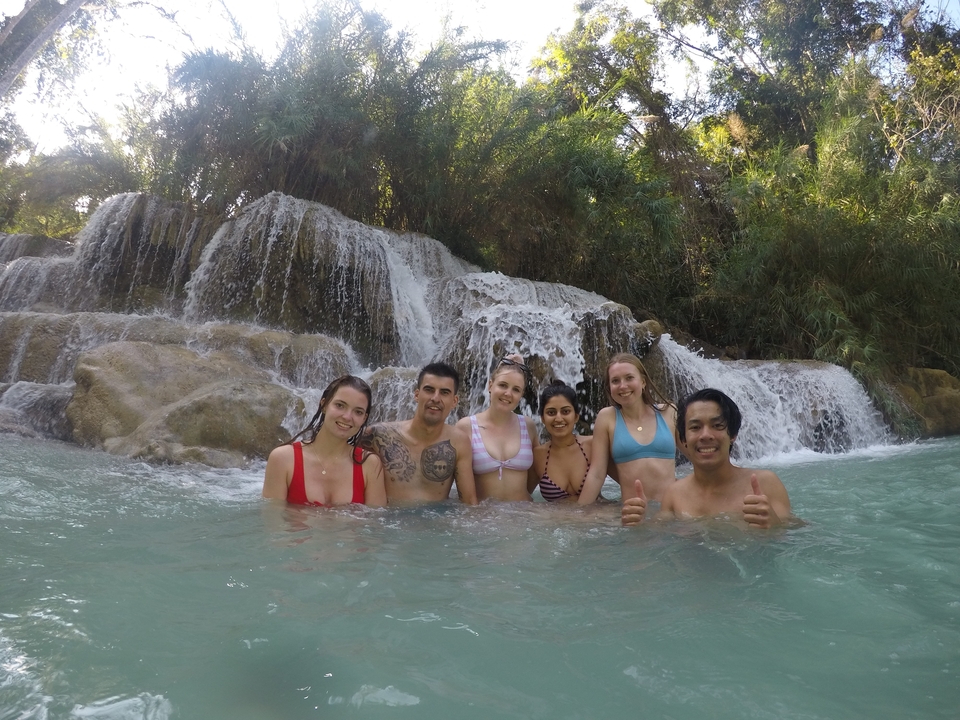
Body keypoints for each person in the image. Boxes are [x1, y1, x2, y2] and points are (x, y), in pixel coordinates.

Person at [621, 388, 791, 528]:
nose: (706, 435)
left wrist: (775, 524)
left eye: (717, 426)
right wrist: (640, 524)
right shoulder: (675, 494)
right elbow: (658, 541)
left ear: (732, 434)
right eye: (695, 427)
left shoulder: (766, 484)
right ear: (683, 439)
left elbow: (794, 536)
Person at [361, 362, 477, 504]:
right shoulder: (378, 435)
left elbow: (469, 503)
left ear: (454, 401)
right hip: (388, 521)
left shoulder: (459, 442)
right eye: (429, 390)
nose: (435, 398)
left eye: (444, 392)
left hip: (436, 524)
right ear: (417, 395)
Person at [262, 375, 386, 507]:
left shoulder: (370, 465)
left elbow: (375, 525)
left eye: (358, 412)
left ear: (364, 419)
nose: (347, 417)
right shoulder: (283, 459)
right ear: (324, 404)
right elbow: (273, 524)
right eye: (340, 405)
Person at [578, 353, 677, 505]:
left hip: (671, 511)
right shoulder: (607, 418)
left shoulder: (668, 412)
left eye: (629, 378)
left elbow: (698, 456)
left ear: (643, 382)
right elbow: (597, 473)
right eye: (615, 381)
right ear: (609, 387)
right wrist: (580, 513)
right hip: (633, 515)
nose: (623, 386)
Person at [457, 354, 540, 502]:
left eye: (516, 389)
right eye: (502, 385)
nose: (508, 394)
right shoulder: (466, 427)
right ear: (490, 385)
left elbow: (537, 470)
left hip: (525, 516)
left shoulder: (528, 426)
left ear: (521, 394)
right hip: (484, 519)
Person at [529, 381, 594, 502]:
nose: (558, 418)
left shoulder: (593, 445)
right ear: (543, 418)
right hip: (555, 521)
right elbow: (523, 496)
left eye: (565, 411)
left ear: (576, 416)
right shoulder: (538, 455)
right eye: (551, 412)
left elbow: (626, 479)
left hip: (598, 519)